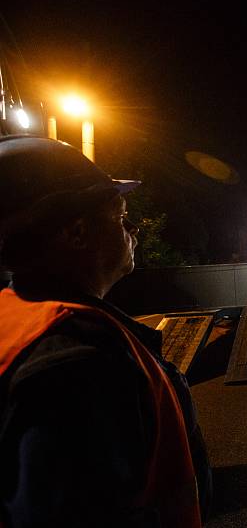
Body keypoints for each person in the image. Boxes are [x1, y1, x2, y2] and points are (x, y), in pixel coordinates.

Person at [0, 136, 211, 526]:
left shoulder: (16, 321)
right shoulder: (76, 367)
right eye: (118, 215)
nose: (132, 228)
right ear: (77, 233)